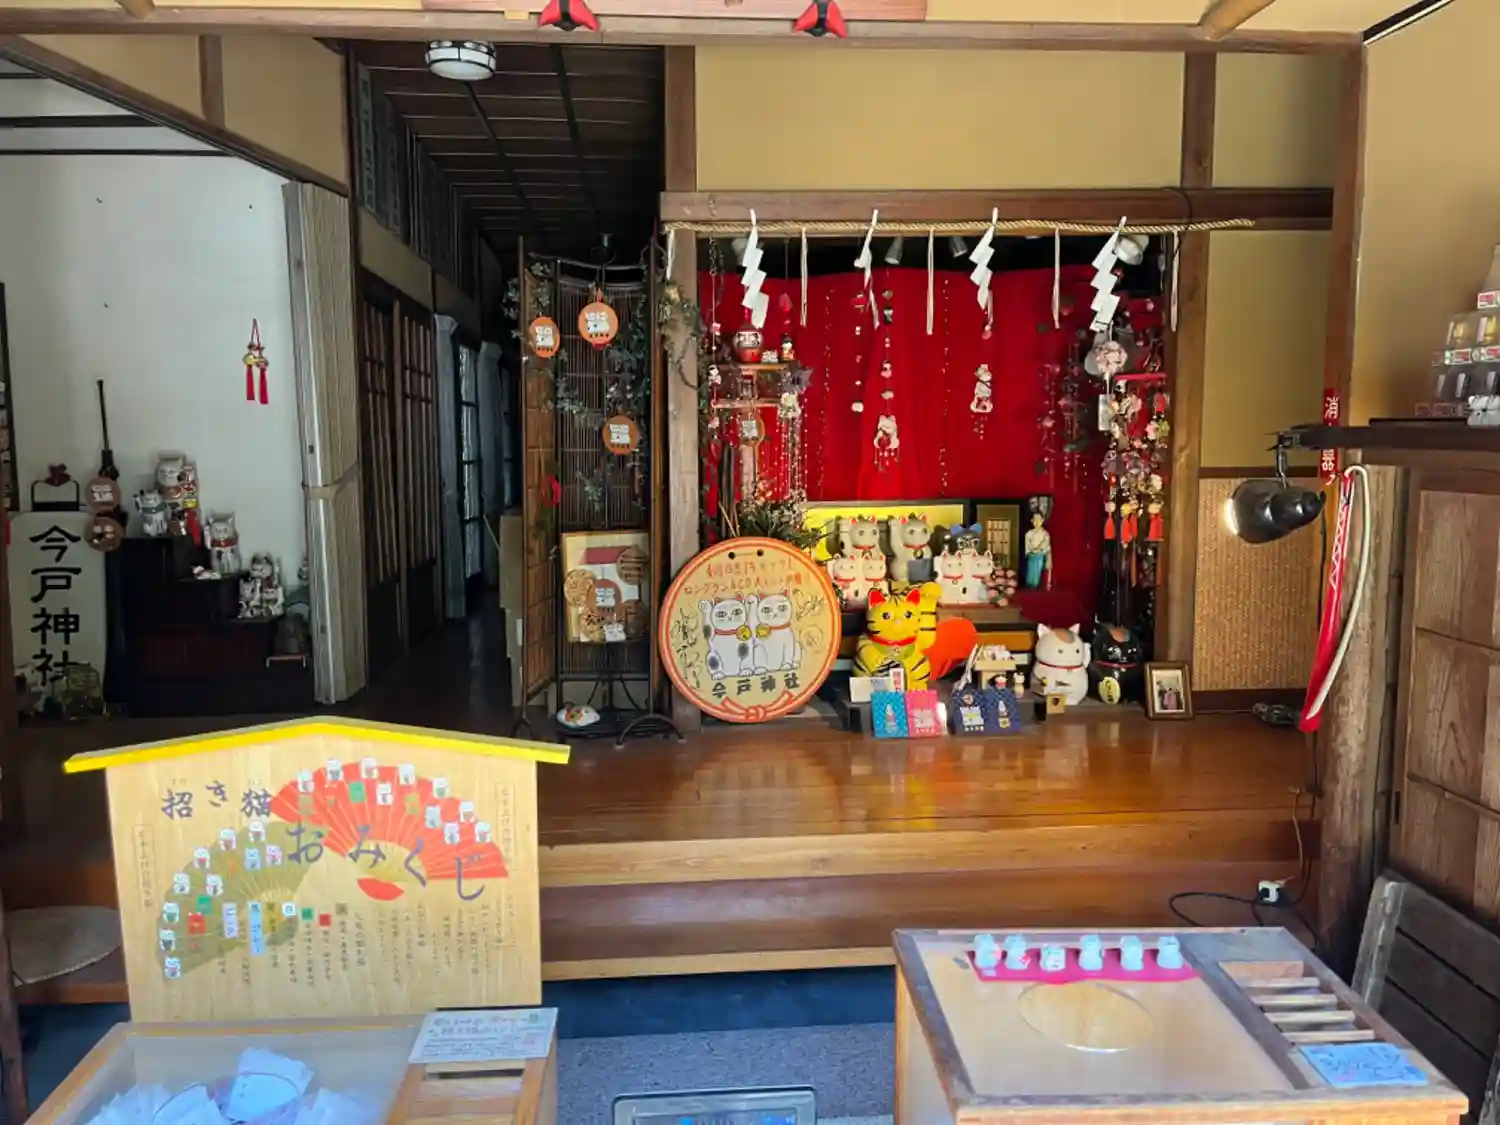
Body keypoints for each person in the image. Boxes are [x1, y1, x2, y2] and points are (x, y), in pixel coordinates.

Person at [1023, 511, 1052, 589]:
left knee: (1039, 570)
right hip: (1031, 555)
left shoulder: (1045, 534)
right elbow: (1027, 544)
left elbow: (1045, 544)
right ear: (1032, 521)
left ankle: (1038, 584)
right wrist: (1031, 550)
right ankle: (1030, 584)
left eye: (1039, 519)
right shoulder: (1029, 533)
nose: (1037, 522)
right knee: (1031, 571)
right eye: (1035, 520)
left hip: (1040, 555)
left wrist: (1039, 549)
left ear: (1042, 520)